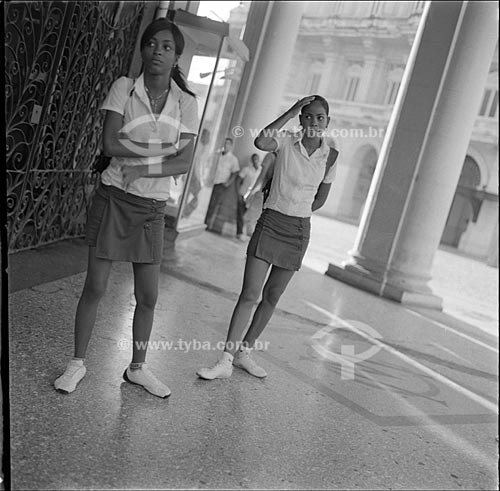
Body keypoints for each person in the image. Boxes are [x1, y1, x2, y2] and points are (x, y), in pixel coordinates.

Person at [54, 18, 199, 398]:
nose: (157, 51)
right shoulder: (124, 87)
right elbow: (109, 145)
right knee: (95, 286)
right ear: (143, 50)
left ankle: (137, 368)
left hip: (151, 207)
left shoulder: (187, 101)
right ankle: (76, 364)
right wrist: (161, 152)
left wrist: (145, 167)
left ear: (176, 56)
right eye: (151, 44)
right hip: (113, 197)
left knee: (148, 296)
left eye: (166, 47)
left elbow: (184, 163)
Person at [197, 95, 338, 380]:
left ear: (327, 122)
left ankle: (244, 353)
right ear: (300, 118)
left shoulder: (331, 156)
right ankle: (225, 359)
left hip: (298, 230)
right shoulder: (285, 141)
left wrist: (296, 210)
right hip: (271, 223)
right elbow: (261, 142)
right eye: (307, 116)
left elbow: (321, 198)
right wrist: (289, 111)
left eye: (319, 117)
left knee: (272, 296)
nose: (313, 122)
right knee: (250, 294)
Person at [204, 137, 240, 229]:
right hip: (210, 182)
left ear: (231, 146)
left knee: (213, 204)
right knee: (205, 202)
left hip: (220, 184)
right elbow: (208, 164)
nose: (225, 145)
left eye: (228, 143)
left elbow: (235, 172)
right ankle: (200, 220)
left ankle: (207, 223)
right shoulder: (216, 154)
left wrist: (228, 183)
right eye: (224, 143)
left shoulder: (233, 159)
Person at [235, 153, 261, 240]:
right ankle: (239, 233)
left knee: (250, 216)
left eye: (257, 159)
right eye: (254, 159)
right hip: (243, 194)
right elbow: (237, 181)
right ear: (251, 160)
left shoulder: (261, 171)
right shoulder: (246, 170)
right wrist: (238, 194)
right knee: (240, 214)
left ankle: (248, 233)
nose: (255, 161)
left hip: (254, 197)